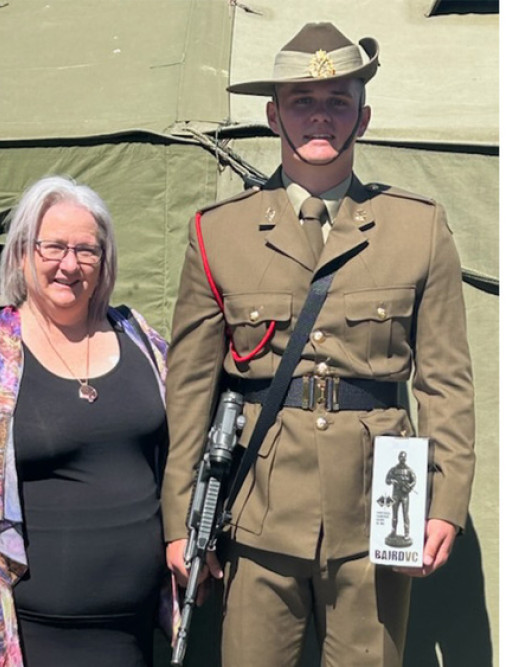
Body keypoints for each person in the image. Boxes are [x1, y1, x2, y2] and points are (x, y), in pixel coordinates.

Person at [160, 22, 475, 667]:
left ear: (364, 115)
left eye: (338, 101)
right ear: (274, 115)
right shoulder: (219, 233)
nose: (320, 116)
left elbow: (444, 382)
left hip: (381, 499)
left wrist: (447, 501)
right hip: (258, 502)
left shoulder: (418, 228)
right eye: (303, 101)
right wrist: (181, 516)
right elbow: (190, 389)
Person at [0, 176, 170, 666]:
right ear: (21, 255)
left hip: (133, 632)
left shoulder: (141, 340)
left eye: (86, 250)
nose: (69, 265)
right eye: (53, 246)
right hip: (35, 635)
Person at [386, 451, 416, 543]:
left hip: (405, 495)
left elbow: (414, 480)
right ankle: (393, 532)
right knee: (394, 514)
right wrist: (392, 481)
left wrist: (409, 487)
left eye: (404, 457)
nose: (402, 459)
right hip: (395, 494)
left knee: (405, 515)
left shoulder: (409, 470)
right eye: (401, 457)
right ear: (399, 458)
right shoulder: (393, 469)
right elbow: (387, 480)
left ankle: (406, 533)